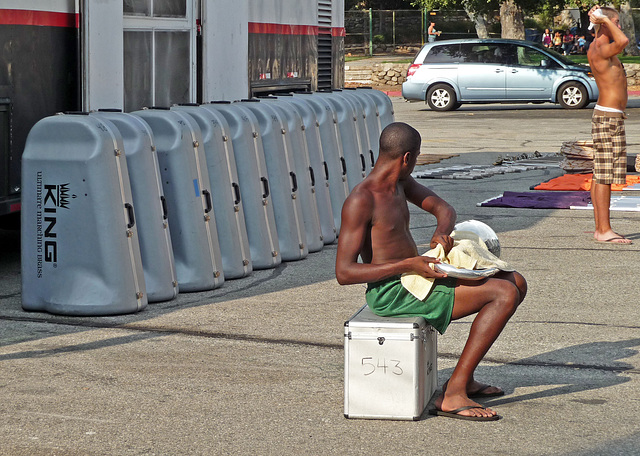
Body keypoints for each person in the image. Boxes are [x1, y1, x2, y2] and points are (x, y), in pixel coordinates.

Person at [335, 122, 527, 421]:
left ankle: (465, 378)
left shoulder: (400, 182)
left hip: (415, 276)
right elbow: (344, 272)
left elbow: (444, 209)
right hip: (392, 293)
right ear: (408, 158)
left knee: (516, 281)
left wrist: (441, 234)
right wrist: (408, 264)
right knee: (503, 294)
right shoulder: (362, 199)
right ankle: (453, 394)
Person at [587, 5, 632, 244]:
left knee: (599, 174)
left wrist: (604, 20)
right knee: (604, 176)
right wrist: (605, 19)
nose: (619, 26)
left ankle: (600, 228)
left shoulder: (598, 46)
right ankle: (604, 229)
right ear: (606, 23)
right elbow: (623, 39)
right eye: (616, 22)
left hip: (607, 116)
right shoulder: (602, 48)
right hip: (609, 119)